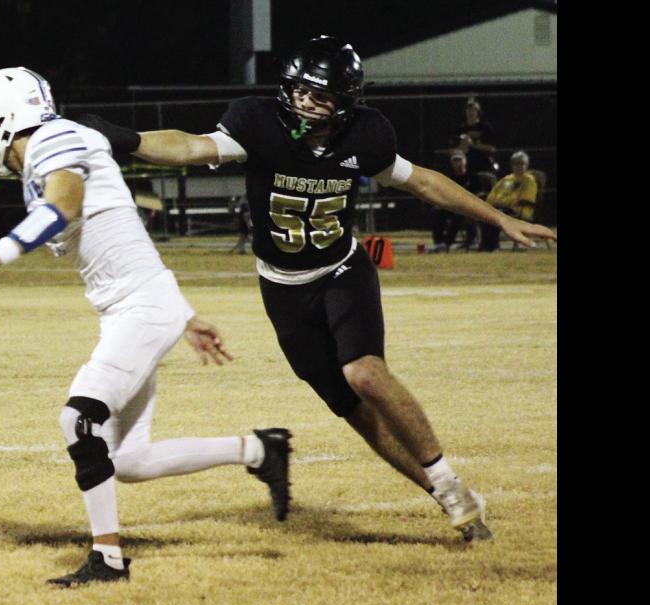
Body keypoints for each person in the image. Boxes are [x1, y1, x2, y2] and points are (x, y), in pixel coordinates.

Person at [78, 36, 557, 543]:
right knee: (354, 411)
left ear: (346, 102)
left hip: (341, 272)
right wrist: (124, 138)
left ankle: (447, 479)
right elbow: (191, 146)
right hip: (283, 291)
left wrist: (499, 218)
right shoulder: (258, 123)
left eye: (320, 95)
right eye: (300, 89)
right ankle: (443, 495)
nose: (306, 102)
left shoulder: (366, 134)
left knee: (365, 374)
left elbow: (423, 183)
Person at [0, 67, 292, 587]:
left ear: (0, 118)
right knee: (127, 459)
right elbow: (123, 236)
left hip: (140, 310)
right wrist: (181, 313)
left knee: (78, 421)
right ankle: (261, 449)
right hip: (138, 308)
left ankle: (106, 559)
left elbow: (65, 204)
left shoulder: (52, 138)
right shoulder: (58, 143)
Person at [478, 150, 540, 252]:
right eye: (516, 163)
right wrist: (496, 202)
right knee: (486, 215)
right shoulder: (506, 179)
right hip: (502, 209)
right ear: (512, 165)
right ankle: (486, 246)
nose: (518, 166)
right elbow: (492, 196)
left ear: (527, 165)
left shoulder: (529, 180)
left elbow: (522, 198)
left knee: (496, 217)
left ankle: (493, 246)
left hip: (519, 211)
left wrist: (500, 201)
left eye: (521, 163)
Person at [429, 150, 481, 252]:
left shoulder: (473, 177)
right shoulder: (449, 178)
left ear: (465, 161)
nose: (458, 163)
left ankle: (448, 242)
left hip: (469, 208)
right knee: (436, 212)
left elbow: (479, 195)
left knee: (460, 214)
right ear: (451, 163)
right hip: (452, 206)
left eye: (460, 160)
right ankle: (439, 243)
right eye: (455, 161)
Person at [453, 97, 498, 177]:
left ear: (478, 112)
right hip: (466, 170)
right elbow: (454, 150)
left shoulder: (485, 127)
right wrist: (463, 146)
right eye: (468, 109)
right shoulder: (461, 129)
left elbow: (492, 148)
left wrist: (473, 145)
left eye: (473, 110)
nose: (470, 112)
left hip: (484, 168)